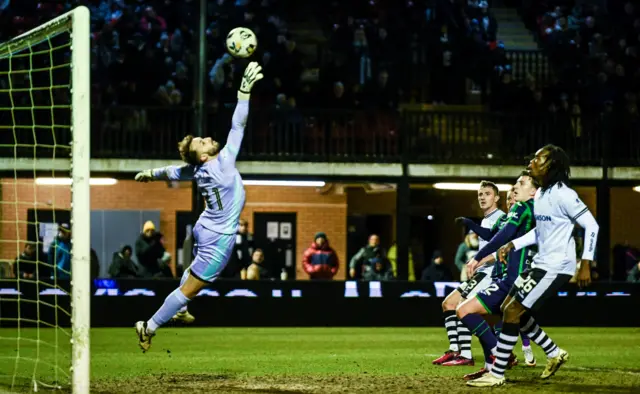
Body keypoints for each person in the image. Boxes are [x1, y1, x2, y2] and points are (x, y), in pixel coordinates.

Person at [132, 62, 263, 352]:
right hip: (218, 239)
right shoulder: (223, 161)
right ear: (203, 156)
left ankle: (178, 311)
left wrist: (150, 174)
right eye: (203, 142)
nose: (207, 139)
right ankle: (148, 326)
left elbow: (174, 171)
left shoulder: (197, 170)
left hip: (205, 227)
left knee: (191, 274)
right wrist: (244, 91)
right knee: (190, 288)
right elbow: (237, 124)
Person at [468, 144, 598, 387]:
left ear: (552, 165)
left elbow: (592, 226)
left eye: (540, 158)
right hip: (542, 263)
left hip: (557, 265)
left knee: (512, 310)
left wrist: (586, 264)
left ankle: (496, 374)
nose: (533, 162)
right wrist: (513, 245)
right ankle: (553, 352)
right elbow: (541, 230)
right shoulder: (543, 195)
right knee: (510, 307)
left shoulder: (564, 194)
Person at [457, 173, 539, 381]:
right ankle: (491, 366)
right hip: (509, 278)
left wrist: (478, 258)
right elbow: (493, 236)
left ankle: (499, 355)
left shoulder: (521, 210)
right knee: (493, 319)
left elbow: (500, 238)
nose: (512, 194)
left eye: (519, 186)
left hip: (511, 279)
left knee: (465, 310)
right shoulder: (521, 213)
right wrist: (470, 223)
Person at [433, 181, 505, 367]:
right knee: (448, 303)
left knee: (461, 306)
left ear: (496, 198)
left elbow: (502, 249)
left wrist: (479, 260)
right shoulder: (486, 220)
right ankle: (456, 350)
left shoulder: (502, 218)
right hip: (481, 273)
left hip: (490, 273)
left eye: (487, 193)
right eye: (480, 194)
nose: (482, 197)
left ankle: (467, 354)